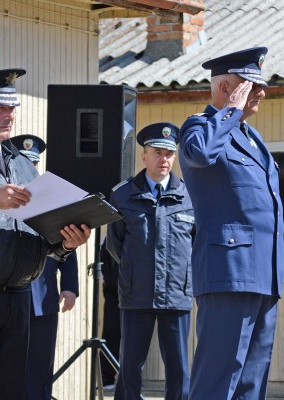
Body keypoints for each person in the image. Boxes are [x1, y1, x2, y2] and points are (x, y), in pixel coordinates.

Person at [0, 68, 90, 400]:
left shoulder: (23, 164)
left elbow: (35, 231)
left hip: (18, 298)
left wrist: (64, 243)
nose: (9, 115)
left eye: (12, 108)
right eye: (0, 107)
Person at [178, 47, 284, 400]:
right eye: (252, 87)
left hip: (263, 274)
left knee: (252, 381)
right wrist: (229, 113)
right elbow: (200, 154)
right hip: (228, 271)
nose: (262, 94)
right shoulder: (199, 126)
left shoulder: (252, 138)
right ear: (226, 89)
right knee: (218, 377)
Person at [107, 122, 195, 400]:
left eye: (169, 153)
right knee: (131, 365)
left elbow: (197, 243)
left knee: (179, 368)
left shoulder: (189, 196)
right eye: (157, 152)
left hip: (177, 293)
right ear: (143, 155)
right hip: (137, 293)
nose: (164, 159)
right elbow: (114, 245)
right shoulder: (122, 195)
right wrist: (135, 271)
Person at [10, 134, 80, 400]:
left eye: (34, 165)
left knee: (40, 367)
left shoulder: (52, 203)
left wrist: (70, 287)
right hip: (9, 297)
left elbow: (68, 247)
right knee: (9, 367)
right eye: (24, 164)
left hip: (43, 298)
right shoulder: (5, 201)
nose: (30, 172)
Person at [100, 237, 121, 390]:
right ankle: (107, 379)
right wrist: (112, 283)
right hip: (114, 294)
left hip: (137, 294)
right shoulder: (108, 239)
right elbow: (104, 265)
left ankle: (131, 381)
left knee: (135, 338)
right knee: (111, 334)